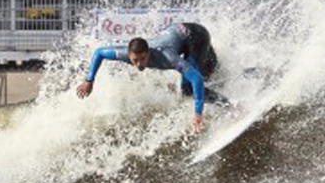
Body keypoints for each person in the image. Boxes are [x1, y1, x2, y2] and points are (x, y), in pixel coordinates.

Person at [76, 22, 219, 131]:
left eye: (143, 59)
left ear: (149, 53)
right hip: (179, 36)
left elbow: (196, 78)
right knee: (197, 78)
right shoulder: (125, 54)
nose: (139, 64)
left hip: (197, 36)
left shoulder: (166, 57)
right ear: (129, 55)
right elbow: (99, 52)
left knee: (188, 88)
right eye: (135, 60)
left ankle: (230, 106)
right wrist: (89, 80)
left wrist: (198, 115)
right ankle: (213, 67)